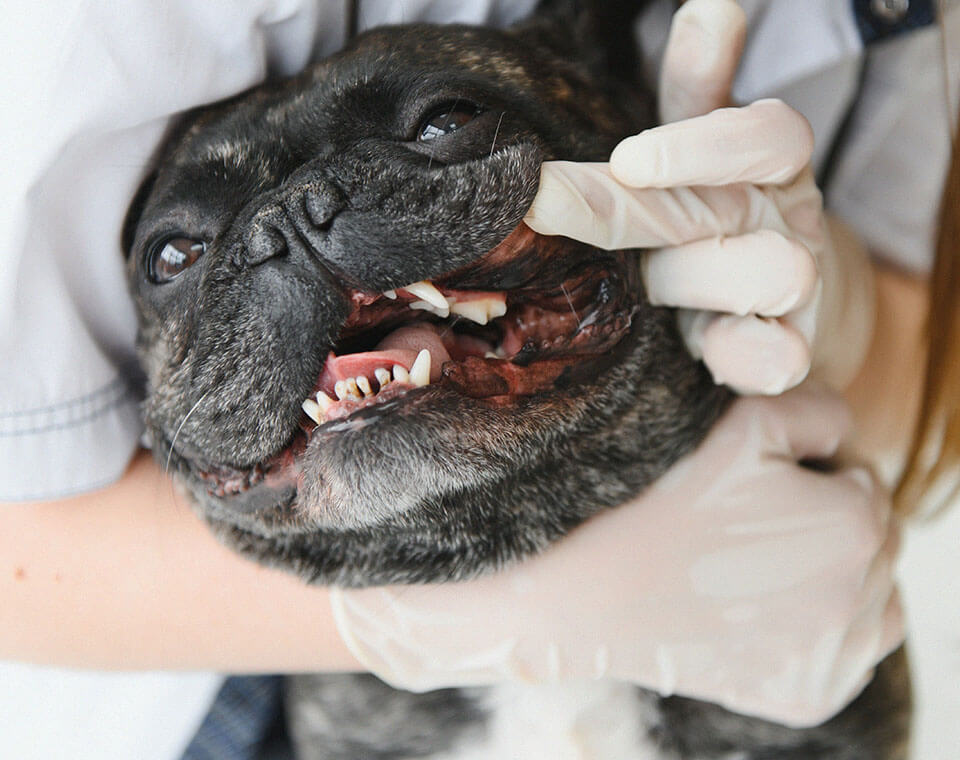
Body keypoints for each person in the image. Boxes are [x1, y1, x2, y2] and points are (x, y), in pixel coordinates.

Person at [0, 0, 949, 757]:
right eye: (178, 255)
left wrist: (846, 310)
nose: (300, 225)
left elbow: (922, 358)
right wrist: (430, 622)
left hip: (760, 523)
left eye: (443, 123)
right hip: (199, 667)